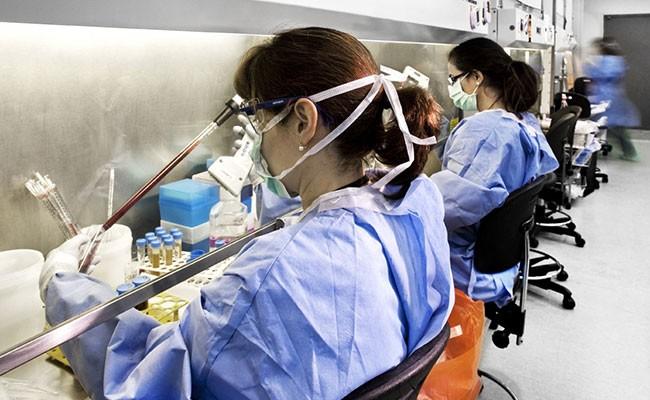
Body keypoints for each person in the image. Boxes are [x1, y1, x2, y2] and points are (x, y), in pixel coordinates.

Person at [40, 27, 454, 399]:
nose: (258, 139)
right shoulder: (412, 207)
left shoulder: (269, 278)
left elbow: (145, 377)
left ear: (303, 121)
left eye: (260, 118)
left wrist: (63, 285)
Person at [430, 37, 558, 306]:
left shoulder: (484, 132)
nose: (452, 87)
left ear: (476, 77)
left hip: (466, 265)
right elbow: (475, 172)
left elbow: (444, 210)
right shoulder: (522, 121)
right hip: (501, 259)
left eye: (454, 79)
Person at [584, 37, 641, 161]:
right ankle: (628, 152)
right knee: (613, 126)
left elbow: (598, 74)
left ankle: (630, 153)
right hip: (609, 96)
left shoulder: (610, 61)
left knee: (616, 127)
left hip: (608, 97)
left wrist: (589, 64)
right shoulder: (616, 60)